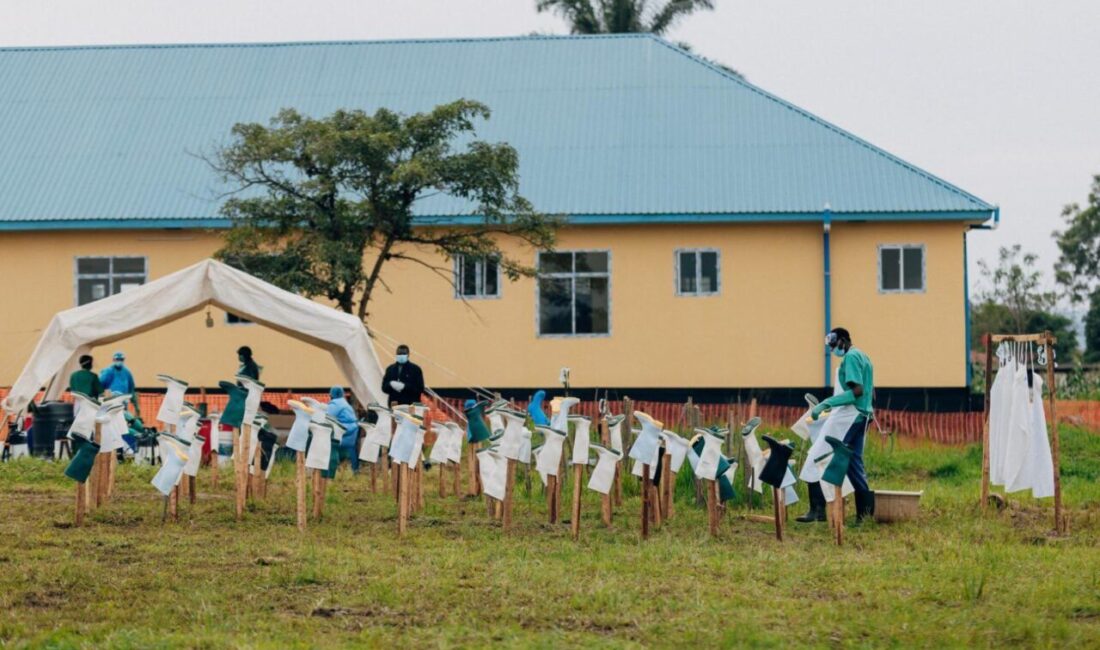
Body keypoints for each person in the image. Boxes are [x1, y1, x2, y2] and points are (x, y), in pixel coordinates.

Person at [797, 327, 876, 524]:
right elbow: (869, 392)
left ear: (843, 340)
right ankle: (864, 516)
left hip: (848, 416)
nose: (833, 350)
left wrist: (827, 403)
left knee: (816, 456)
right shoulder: (864, 356)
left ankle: (818, 511)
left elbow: (857, 390)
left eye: (834, 345)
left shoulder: (850, 358)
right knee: (854, 463)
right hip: (863, 416)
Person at [327, 386, 361, 474]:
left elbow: (327, 416)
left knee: (331, 446)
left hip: (342, 429)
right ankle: (355, 469)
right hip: (353, 429)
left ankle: (332, 469)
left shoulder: (335, 403)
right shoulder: (345, 403)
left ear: (332, 395)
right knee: (351, 449)